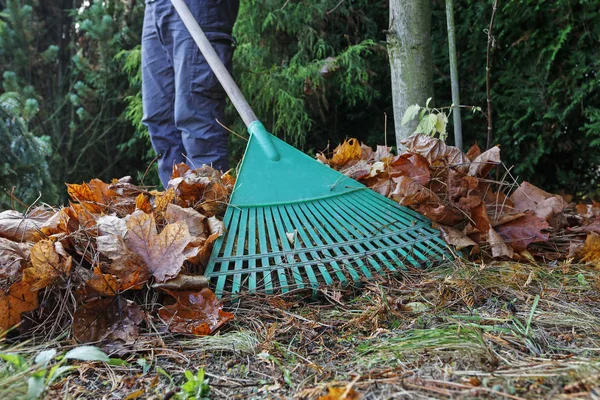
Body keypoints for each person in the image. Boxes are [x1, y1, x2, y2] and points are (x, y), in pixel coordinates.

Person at [141, 0, 239, 187]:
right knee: (160, 118)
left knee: (196, 116)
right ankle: (180, 209)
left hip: (199, 6)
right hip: (156, 5)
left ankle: (210, 209)